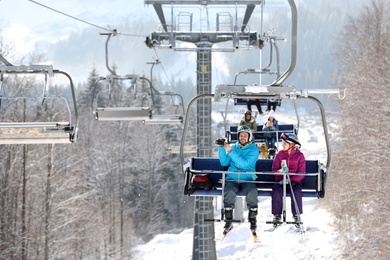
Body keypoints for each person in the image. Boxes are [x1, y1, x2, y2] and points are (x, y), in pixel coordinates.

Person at [217, 125, 260, 234]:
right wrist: (221, 148)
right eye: (241, 135)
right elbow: (224, 162)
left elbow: (245, 164)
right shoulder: (234, 147)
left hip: (247, 178)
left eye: (245, 135)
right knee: (229, 191)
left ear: (249, 137)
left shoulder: (254, 149)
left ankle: (252, 219)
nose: (242, 137)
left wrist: (231, 152)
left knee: (251, 192)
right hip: (232, 178)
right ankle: (228, 220)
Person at [271, 133, 306, 228]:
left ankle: (296, 215)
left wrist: (291, 179)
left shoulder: (300, 156)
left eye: (284, 143)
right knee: (277, 191)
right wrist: (280, 173)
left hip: (294, 182)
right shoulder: (279, 155)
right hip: (281, 181)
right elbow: (274, 170)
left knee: (296, 192)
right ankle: (277, 215)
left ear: (291, 145)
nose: (282, 145)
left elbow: (301, 172)